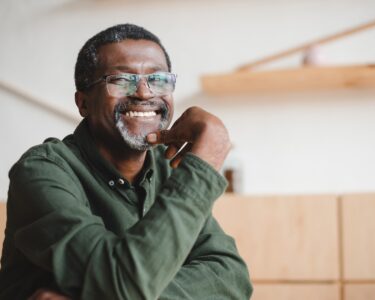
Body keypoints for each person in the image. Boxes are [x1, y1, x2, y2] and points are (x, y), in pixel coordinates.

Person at [0, 24, 253, 299]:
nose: (145, 94)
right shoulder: (41, 171)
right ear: (83, 103)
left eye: (158, 79)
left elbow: (231, 278)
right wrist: (204, 161)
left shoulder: (167, 166)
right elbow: (123, 284)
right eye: (121, 80)